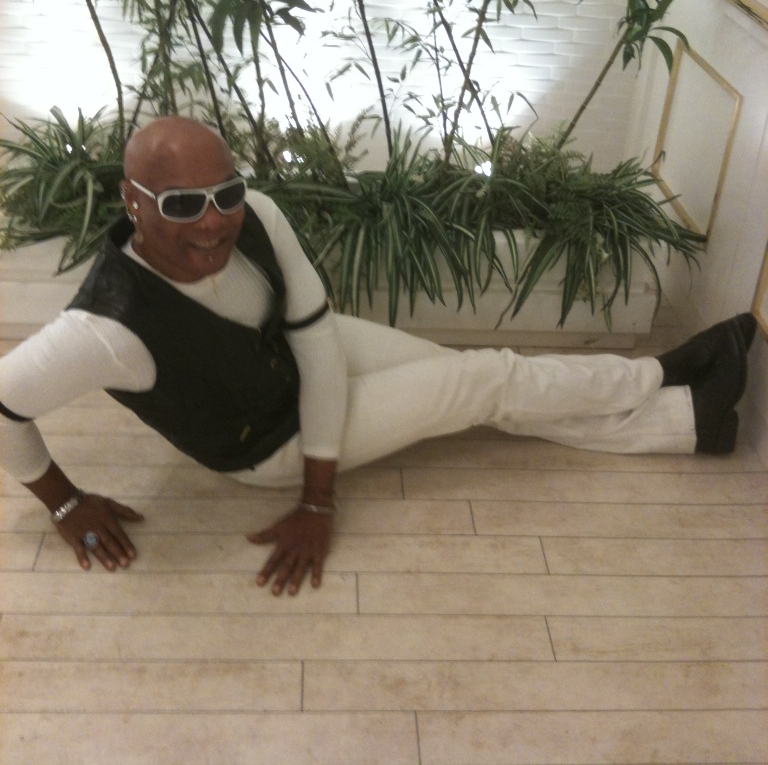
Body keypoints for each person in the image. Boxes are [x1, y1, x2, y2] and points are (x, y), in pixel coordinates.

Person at [0, 117, 757, 596]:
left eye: (224, 192)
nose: (214, 221)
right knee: (486, 377)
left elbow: (315, 338)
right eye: (182, 204)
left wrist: (321, 497)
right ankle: (667, 374)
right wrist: (64, 502)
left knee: (478, 384)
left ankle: (688, 423)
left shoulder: (258, 214)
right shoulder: (104, 328)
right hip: (266, 442)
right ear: (133, 201)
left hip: (304, 355)